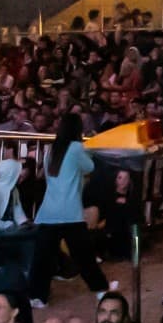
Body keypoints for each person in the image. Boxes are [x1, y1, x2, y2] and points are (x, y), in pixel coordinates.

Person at [28, 116, 107, 302]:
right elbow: (90, 167)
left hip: (49, 212)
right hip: (70, 212)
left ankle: (37, 297)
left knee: (42, 260)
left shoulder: (50, 150)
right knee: (85, 257)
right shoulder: (76, 148)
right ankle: (101, 289)